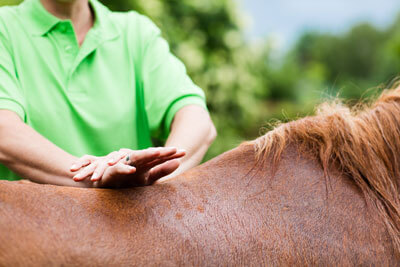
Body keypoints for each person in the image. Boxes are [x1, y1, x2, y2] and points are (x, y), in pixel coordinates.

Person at [0, 0, 216, 188]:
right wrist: (93, 176)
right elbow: (4, 130)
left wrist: (152, 175)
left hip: (130, 227)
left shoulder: (135, 33)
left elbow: (196, 119)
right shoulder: (5, 28)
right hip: (29, 229)